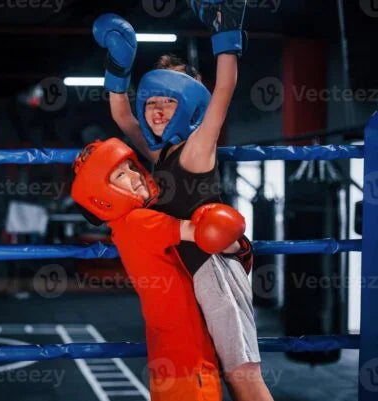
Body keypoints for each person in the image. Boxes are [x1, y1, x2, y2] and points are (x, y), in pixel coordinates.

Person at [93, 3, 274, 400]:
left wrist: (226, 36)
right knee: (216, 374)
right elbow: (123, 116)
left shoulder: (197, 148)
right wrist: (118, 63)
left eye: (169, 101)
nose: (157, 110)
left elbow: (223, 93)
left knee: (242, 374)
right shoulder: (161, 155)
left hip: (214, 271)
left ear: (190, 106)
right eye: (153, 101)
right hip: (188, 274)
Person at [71, 138, 249, 401]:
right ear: (102, 195)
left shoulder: (124, 227)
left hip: (169, 362)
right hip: (189, 362)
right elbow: (207, 231)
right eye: (120, 174)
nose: (135, 175)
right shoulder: (140, 221)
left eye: (132, 166)